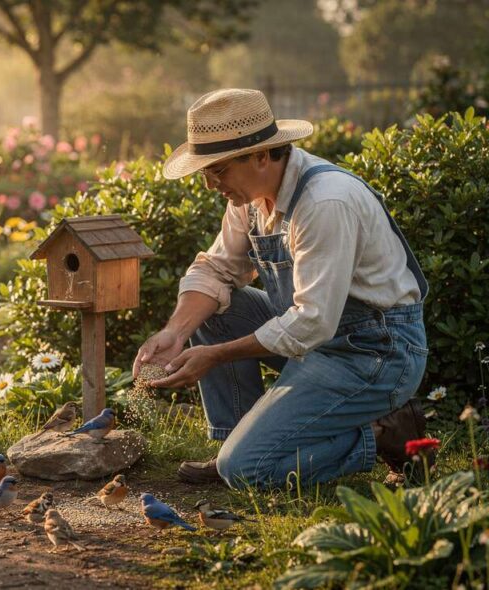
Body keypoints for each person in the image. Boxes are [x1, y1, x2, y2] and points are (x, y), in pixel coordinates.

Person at [132, 88, 430, 489]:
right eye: (206, 172)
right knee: (219, 309)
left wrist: (215, 356)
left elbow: (311, 322)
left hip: (374, 351)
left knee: (248, 470)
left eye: (217, 170)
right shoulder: (249, 198)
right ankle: (232, 446)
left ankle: (381, 435)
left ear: (260, 155)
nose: (209, 184)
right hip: (320, 340)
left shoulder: (325, 203)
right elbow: (216, 270)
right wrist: (175, 333)